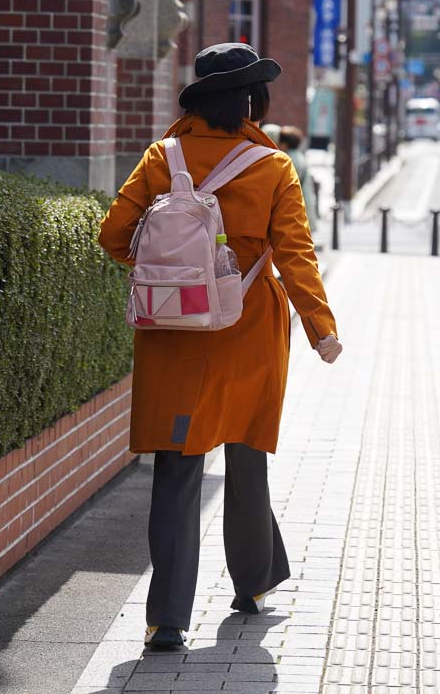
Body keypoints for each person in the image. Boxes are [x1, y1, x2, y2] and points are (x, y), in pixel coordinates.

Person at [97, 43, 343, 651]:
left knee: (177, 465)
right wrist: (321, 327)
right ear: (250, 101)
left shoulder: (162, 156)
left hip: (173, 326)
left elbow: (112, 235)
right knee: (246, 451)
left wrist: (170, 266)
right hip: (248, 325)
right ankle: (253, 583)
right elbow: (295, 255)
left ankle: (166, 619)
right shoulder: (271, 166)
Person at [276, 125, 319, 239]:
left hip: (299, 206)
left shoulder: (290, 159)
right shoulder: (299, 156)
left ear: (284, 144)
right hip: (306, 203)